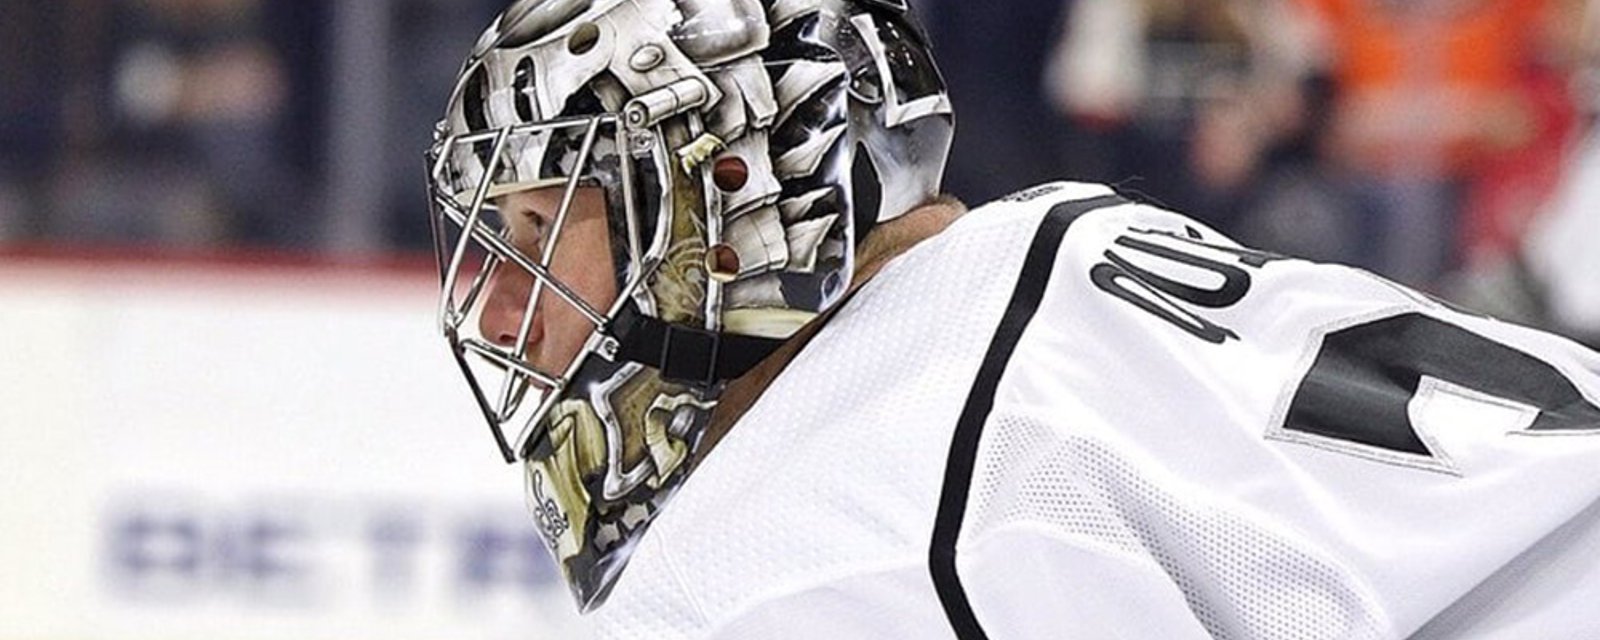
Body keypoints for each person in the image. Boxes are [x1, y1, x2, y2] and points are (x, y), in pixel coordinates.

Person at [423, 0, 1600, 637]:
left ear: (727, 205)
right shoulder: (1043, 258)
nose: (508, 302)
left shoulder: (805, 540)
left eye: (539, 228)